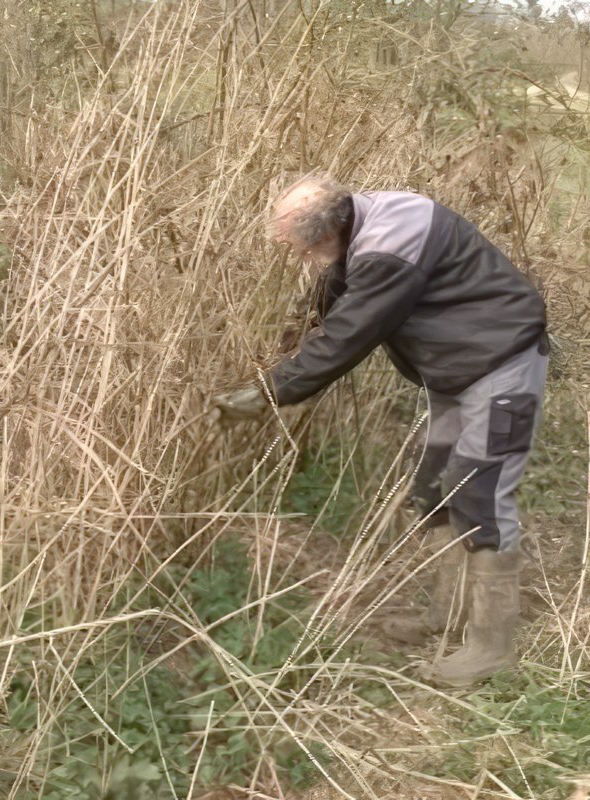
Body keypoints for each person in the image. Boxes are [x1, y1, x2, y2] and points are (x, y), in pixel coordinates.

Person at [213, 173, 549, 686]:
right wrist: (277, 357)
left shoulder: (390, 246)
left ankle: (490, 648)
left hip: (500, 365)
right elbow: (331, 301)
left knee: (480, 492)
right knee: (436, 489)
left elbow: (349, 333)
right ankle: (448, 615)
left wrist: (267, 393)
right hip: (457, 368)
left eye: (301, 249)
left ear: (326, 230)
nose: (300, 258)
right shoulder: (361, 222)